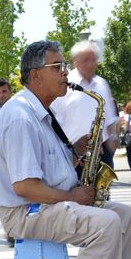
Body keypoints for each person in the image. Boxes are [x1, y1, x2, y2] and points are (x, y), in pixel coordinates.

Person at [0, 40, 131, 259]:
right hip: (27, 211)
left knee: (125, 215)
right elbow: (25, 186)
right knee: (106, 223)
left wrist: (75, 153)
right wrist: (72, 196)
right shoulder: (20, 117)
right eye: (58, 67)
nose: (66, 73)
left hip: (47, 204)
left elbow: (45, 166)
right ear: (36, 74)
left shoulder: (40, 111)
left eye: (64, 66)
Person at [51, 40, 119, 169]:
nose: (91, 64)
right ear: (75, 61)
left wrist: (111, 145)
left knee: (101, 189)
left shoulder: (102, 84)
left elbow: (110, 120)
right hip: (74, 153)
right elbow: (55, 122)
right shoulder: (65, 83)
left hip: (101, 152)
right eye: (86, 60)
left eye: (94, 59)